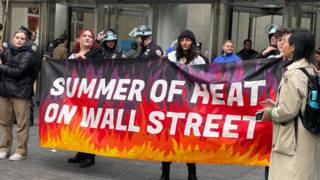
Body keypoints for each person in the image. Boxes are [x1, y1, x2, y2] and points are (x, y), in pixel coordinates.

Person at [260, 30, 320, 180]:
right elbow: (299, 103)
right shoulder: (310, 69)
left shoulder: (292, 73)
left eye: (285, 42)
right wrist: (277, 104)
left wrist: (272, 112)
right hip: (309, 135)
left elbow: (288, 110)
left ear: (293, 47)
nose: (282, 45)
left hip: (293, 140)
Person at [162, 30, 206, 180]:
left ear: (193, 42)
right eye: (182, 40)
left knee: (189, 138)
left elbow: (205, 79)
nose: (185, 43)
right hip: (173, 102)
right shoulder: (171, 57)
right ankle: (165, 173)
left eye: (188, 40)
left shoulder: (199, 60)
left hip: (191, 104)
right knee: (168, 138)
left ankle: (192, 173)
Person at [0, 27, 37, 161]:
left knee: (22, 124)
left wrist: (1, 66)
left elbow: (18, 72)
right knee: (5, 122)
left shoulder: (28, 55)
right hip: (4, 91)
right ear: (13, 39)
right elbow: (5, 64)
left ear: (26, 41)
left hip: (21, 93)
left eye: (22, 38)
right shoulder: (7, 51)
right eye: (17, 38)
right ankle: (4, 148)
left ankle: (21, 151)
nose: (19, 40)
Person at [67, 29, 102, 168]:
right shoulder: (73, 54)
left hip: (90, 96)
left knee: (89, 125)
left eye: (90, 36)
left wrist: (86, 61)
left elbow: (101, 70)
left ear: (93, 41)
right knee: (78, 125)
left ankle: (90, 156)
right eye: (85, 36)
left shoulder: (97, 54)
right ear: (79, 39)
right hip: (76, 96)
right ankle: (80, 153)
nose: (87, 38)